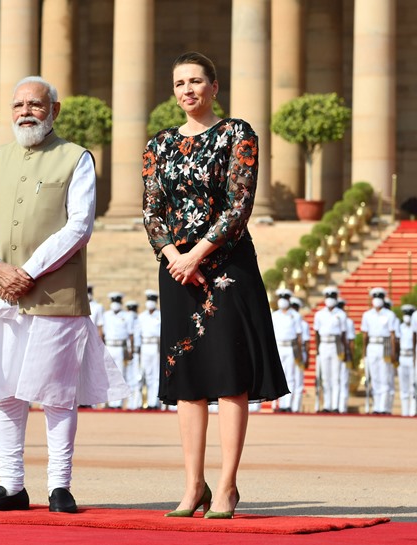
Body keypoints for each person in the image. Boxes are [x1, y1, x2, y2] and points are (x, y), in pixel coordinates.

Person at [0, 75, 129, 513]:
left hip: (53, 291)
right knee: (6, 392)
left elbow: (79, 225)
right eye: (18, 105)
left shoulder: (75, 158)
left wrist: (29, 271)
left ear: (54, 110)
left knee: (56, 393)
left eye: (35, 104)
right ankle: (10, 484)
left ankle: (59, 484)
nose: (25, 112)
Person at [142, 51, 288, 519]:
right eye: (179, 83)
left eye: (196, 81)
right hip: (177, 274)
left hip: (226, 270)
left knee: (228, 378)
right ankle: (192, 486)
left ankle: (226, 486)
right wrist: (173, 258)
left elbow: (239, 204)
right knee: (187, 382)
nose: (187, 90)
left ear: (214, 87)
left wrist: (195, 255)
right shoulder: (158, 145)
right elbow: (151, 210)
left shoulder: (236, 134)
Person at [360, 288, 398, 415]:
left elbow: (392, 335)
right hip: (372, 346)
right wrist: (364, 351)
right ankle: (376, 406)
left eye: (379, 297)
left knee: (384, 376)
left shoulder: (389, 314)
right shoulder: (367, 315)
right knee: (374, 377)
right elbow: (365, 335)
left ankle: (384, 407)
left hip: (384, 346)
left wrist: (393, 352)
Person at [313, 286, 348, 413]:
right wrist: (317, 350)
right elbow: (316, 333)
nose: (330, 299)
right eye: (328, 297)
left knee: (336, 376)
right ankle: (327, 405)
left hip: (336, 345)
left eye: (332, 297)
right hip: (324, 344)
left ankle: (335, 405)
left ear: (336, 298)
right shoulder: (319, 314)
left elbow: (344, 334)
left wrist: (344, 351)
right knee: (325, 378)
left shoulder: (341, 314)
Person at [270, 289, 302, 413]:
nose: (283, 300)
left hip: (290, 347)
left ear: (289, 300)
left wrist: (299, 352)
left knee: (290, 376)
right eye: (281, 298)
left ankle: (287, 404)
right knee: (277, 375)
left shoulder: (295, 315)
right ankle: (276, 404)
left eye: (285, 298)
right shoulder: (275, 315)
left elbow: (299, 336)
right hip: (278, 346)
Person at [103, 292, 133, 409]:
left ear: (121, 303)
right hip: (109, 346)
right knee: (109, 374)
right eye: (113, 301)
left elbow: (130, 334)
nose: (115, 304)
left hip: (121, 347)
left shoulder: (127, 315)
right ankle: (111, 402)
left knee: (120, 374)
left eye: (117, 302)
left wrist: (130, 350)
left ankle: (119, 403)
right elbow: (102, 333)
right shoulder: (106, 315)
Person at [136, 289, 162, 410]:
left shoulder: (160, 315)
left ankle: (153, 402)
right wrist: (137, 349)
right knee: (144, 374)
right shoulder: (141, 316)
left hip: (156, 346)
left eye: (152, 300)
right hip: (144, 346)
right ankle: (142, 402)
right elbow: (137, 334)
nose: (150, 302)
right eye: (148, 300)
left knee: (156, 375)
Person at [289, 297, 309, 413]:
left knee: (298, 380)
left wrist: (304, 356)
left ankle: (296, 406)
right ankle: (288, 405)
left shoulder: (303, 324)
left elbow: (305, 341)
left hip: (299, 352)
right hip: (291, 349)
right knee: (290, 378)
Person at [336, 298, 355, 414]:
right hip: (334, 350)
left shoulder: (348, 322)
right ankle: (334, 405)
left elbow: (351, 341)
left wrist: (350, 355)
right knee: (333, 380)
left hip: (344, 352)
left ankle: (342, 406)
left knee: (343, 380)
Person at [397, 304, 415, 417]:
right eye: (405, 314)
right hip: (402, 357)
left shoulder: (415, 327)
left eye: (409, 314)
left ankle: (413, 410)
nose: (407, 316)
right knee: (403, 386)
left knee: (413, 385)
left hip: (412, 357)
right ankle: (405, 412)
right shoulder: (400, 327)